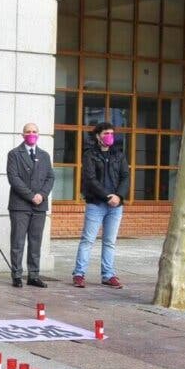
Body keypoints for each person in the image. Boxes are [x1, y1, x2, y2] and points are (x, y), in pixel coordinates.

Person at [74, 121, 129, 289]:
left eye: (111, 133)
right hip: (96, 203)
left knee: (110, 241)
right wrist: (107, 197)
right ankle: (79, 273)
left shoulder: (118, 155)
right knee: (88, 240)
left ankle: (108, 275)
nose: (109, 136)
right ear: (98, 136)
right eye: (106, 133)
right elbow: (90, 179)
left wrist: (118, 196)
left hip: (115, 206)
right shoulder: (90, 155)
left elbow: (125, 176)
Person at [7, 122, 55, 288]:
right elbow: (14, 179)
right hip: (20, 205)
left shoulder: (44, 155)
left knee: (36, 242)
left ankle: (33, 275)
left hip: (39, 206)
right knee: (18, 242)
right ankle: (17, 275)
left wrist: (41, 195)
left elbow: (50, 178)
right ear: (22, 135)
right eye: (28, 131)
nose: (31, 134)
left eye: (34, 131)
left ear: (38, 134)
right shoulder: (14, 154)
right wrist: (31, 196)